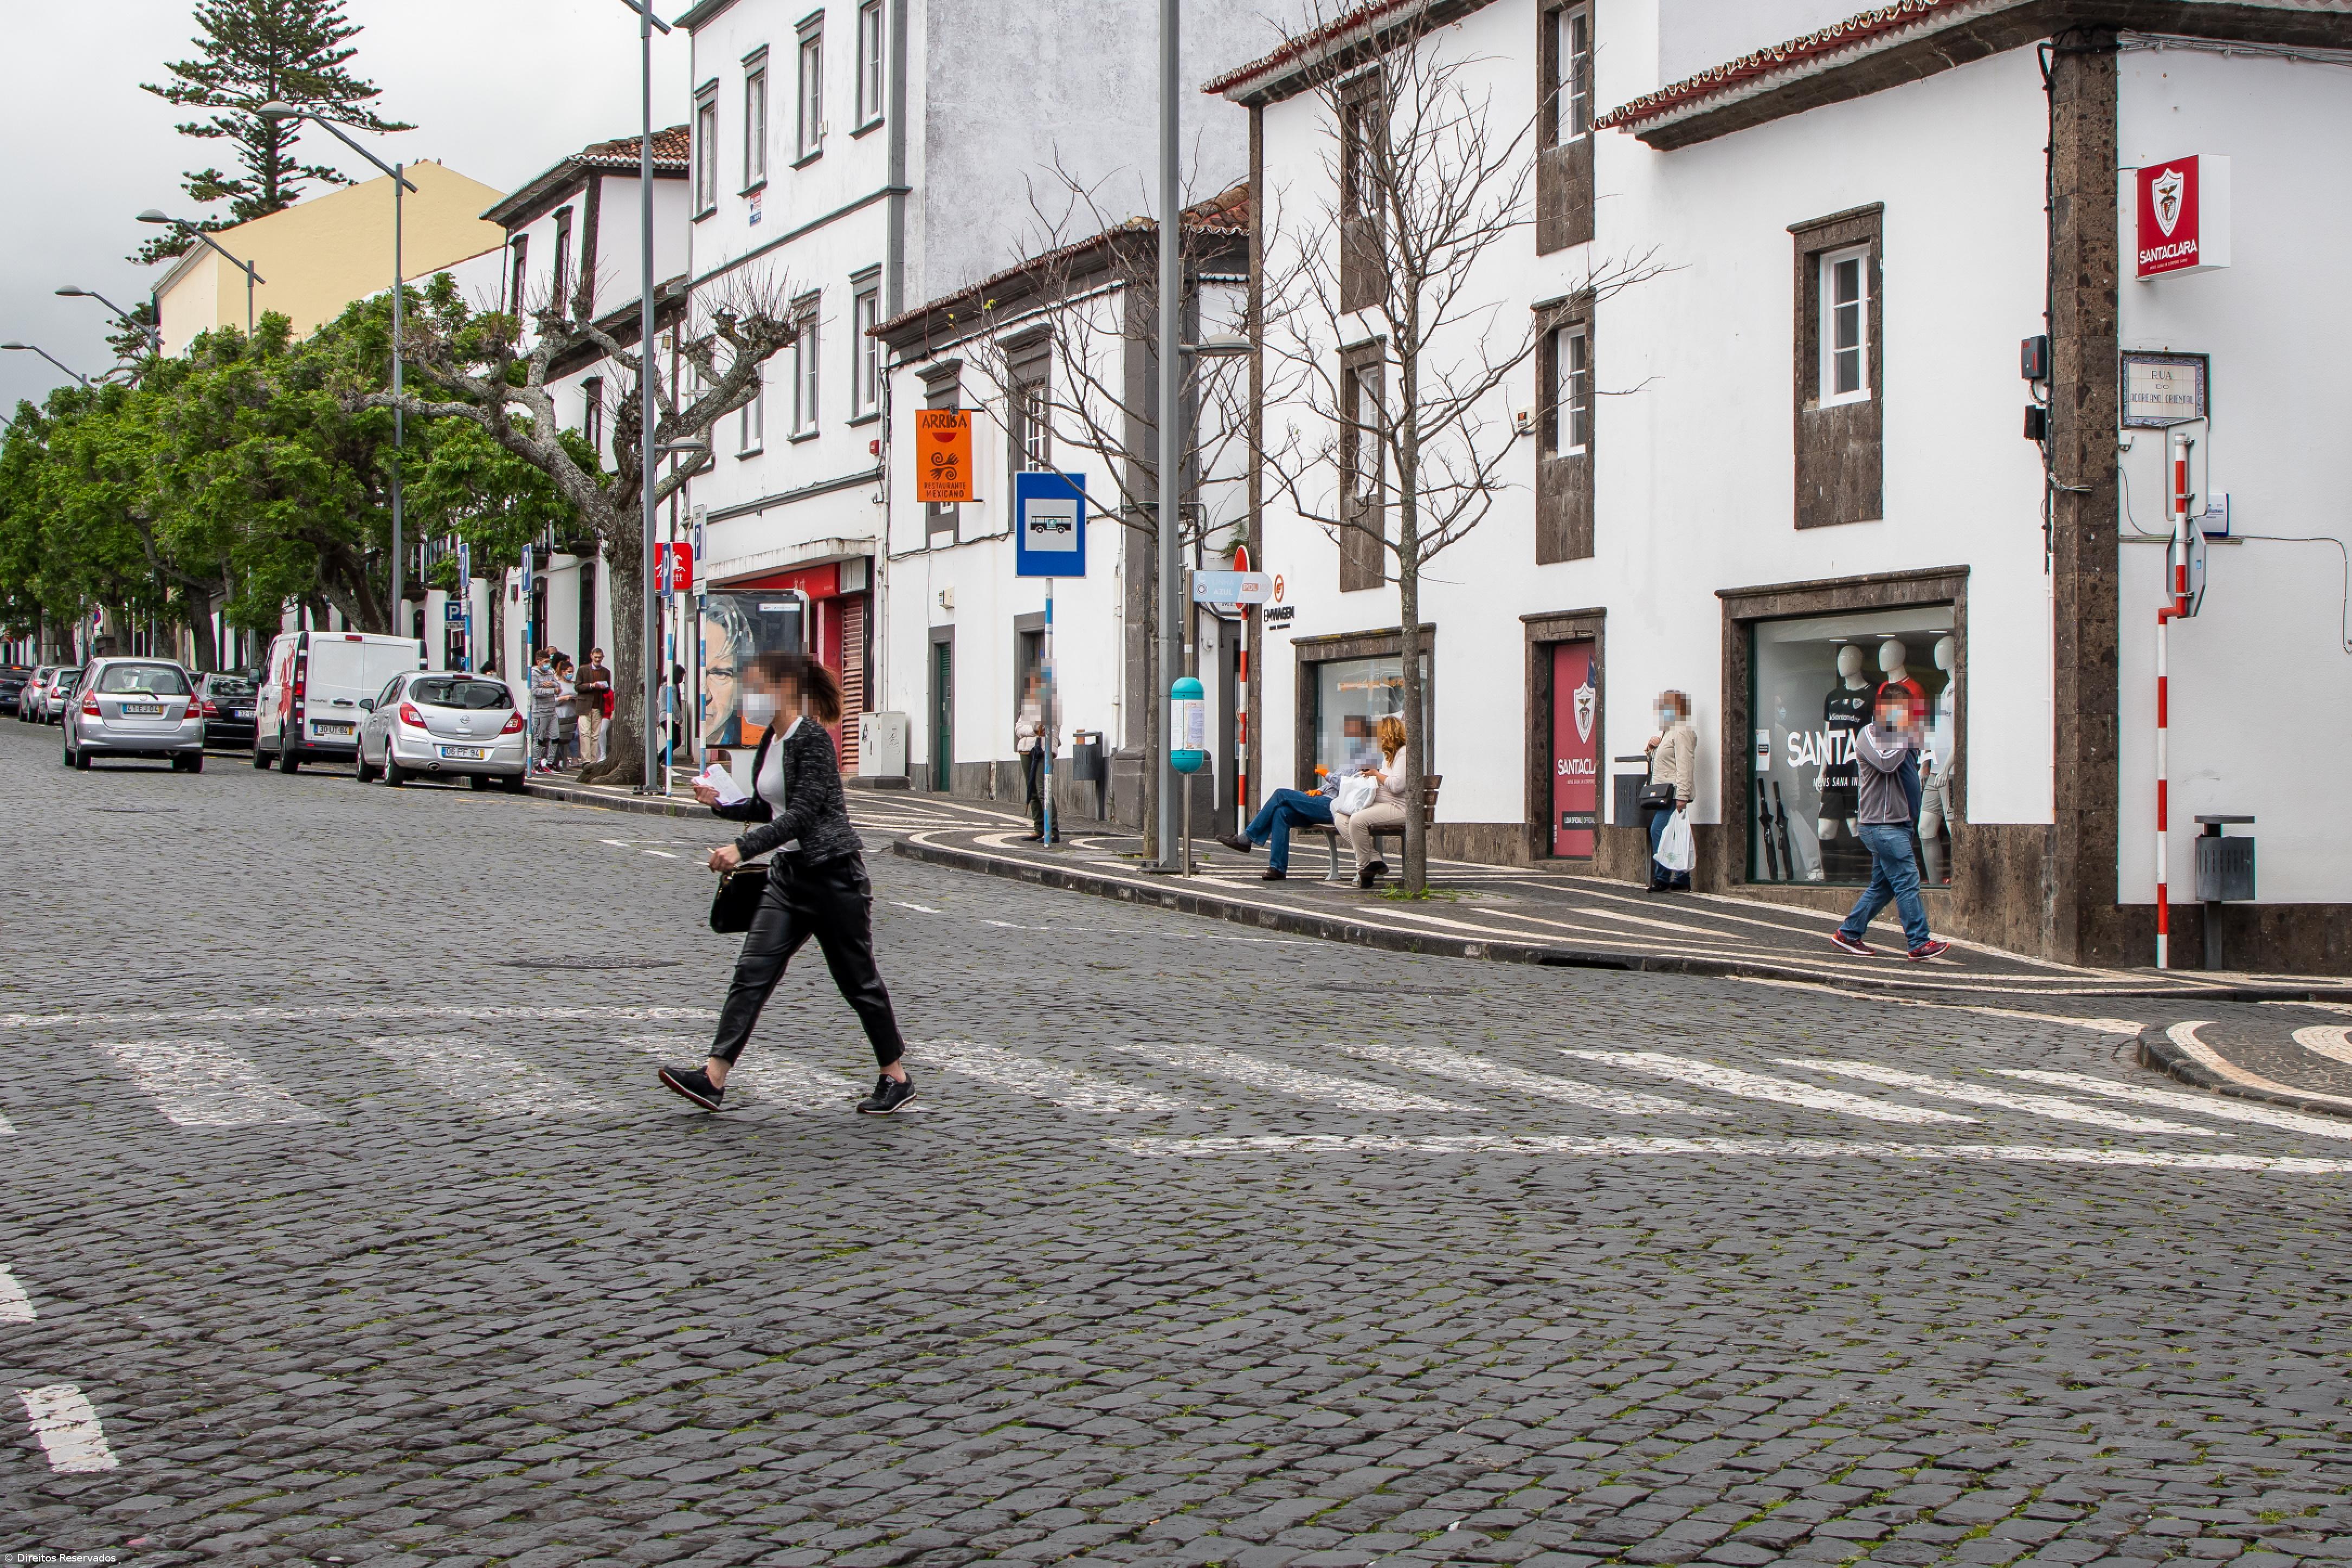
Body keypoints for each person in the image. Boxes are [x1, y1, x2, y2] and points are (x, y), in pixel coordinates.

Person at [660, 650, 917, 1115]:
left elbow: (802, 813)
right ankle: (713, 1077)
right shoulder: (771, 741)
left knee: (857, 981)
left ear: (783, 690)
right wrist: (719, 803)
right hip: (787, 879)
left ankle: (895, 1075)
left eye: (755, 686)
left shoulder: (812, 739)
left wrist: (742, 850)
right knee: (751, 974)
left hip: (834, 877)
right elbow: (769, 807)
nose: (747, 697)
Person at [1829, 688, 1951, 961]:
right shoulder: (1869, 734)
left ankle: (1849, 933)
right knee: (1907, 881)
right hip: (1881, 825)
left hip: (1899, 823)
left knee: (1883, 886)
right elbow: (1886, 763)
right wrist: (1905, 737)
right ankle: (1919, 942)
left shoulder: (1900, 736)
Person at [1216, 769, 1340, 882]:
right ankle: (1277, 869)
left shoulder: (1359, 766)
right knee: (1281, 813)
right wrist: (1321, 790)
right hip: (1322, 801)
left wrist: (1327, 774)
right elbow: (1334, 787)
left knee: (1281, 794)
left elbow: (1348, 786)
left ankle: (1247, 838)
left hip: (1332, 806)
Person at [1334, 714, 1411, 888]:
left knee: (1357, 820)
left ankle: (1364, 869)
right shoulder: (1388, 755)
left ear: (1389, 734)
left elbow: (1397, 785)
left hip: (1399, 807)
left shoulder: (1403, 753)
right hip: (1383, 803)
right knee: (1341, 819)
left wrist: (1376, 774)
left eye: (1380, 734)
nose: (1378, 739)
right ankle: (1374, 859)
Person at [1644, 690, 1697, 892]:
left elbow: (1685, 765)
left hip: (1674, 794)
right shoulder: (1669, 731)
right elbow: (1663, 763)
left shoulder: (1682, 731)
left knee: (1661, 831)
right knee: (1671, 834)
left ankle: (1664, 877)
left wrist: (1682, 796)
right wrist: (1651, 748)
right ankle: (1679, 877)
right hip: (1665, 794)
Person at [1015, 673, 1057, 843]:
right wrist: (1033, 730)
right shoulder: (1028, 707)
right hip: (1027, 751)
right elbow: (1019, 729)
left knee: (1043, 790)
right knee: (1032, 791)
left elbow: (1053, 731)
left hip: (1044, 750)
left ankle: (1053, 830)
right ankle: (1039, 828)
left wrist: (1051, 749)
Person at [527, 650, 561, 774]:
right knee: (539, 739)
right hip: (540, 711)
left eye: (549, 662)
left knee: (555, 737)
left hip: (552, 710)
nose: (548, 665)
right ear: (539, 662)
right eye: (545, 662)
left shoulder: (551, 672)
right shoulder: (533, 674)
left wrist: (551, 684)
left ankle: (550, 763)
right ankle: (536, 763)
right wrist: (551, 690)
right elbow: (535, 691)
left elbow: (558, 686)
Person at [578, 648, 613, 762]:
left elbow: (608, 689)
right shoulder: (583, 670)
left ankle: (593, 759)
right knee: (585, 733)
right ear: (591, 656)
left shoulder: (606, 672)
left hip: (598, 706)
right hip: (585, 706)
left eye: (600, 657)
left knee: (595, 735)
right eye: (596, 657)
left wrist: (605, 688)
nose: (598, 660)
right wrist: (592, 685)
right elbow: (577, 687)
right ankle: (586, 759)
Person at [552, 655, 579, 770]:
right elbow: (553, 701)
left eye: (572, 672)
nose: (571, 674)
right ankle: (561, 759)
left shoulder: (574, 685)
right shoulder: (557, 684)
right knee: (560, 738)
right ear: (563, 672)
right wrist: (564, 698)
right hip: (560, 714)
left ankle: (574, 758)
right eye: (569, 672)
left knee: (574, 736)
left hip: (572, 714)